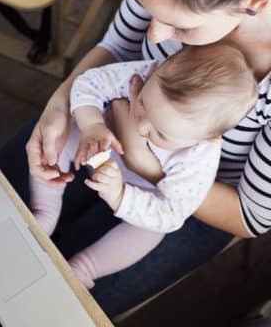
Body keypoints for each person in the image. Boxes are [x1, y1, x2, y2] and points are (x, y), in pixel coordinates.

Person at [0, 0, 271, 317]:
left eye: (181, 27)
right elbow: (117, 47)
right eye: (147, 8)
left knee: (51, 306)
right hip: (102, 123)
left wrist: (145, 164)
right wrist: (60, 105)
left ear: (254, 0)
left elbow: (250, 215)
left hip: (191, 201)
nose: (155, 36)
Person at [30, 44, 258, 289]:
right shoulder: (149, 71)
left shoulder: (200, 157)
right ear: (159, 69)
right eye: (143, 106)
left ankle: (85, 268)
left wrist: (121, 196)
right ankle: (44, 212)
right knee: (62, 137)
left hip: (143, 191)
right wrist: (92, 124)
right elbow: (89, 83)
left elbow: (171, 212)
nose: (140, 128)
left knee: (151, 231)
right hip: (99, 144)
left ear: (207, 139)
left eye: (160, 133)